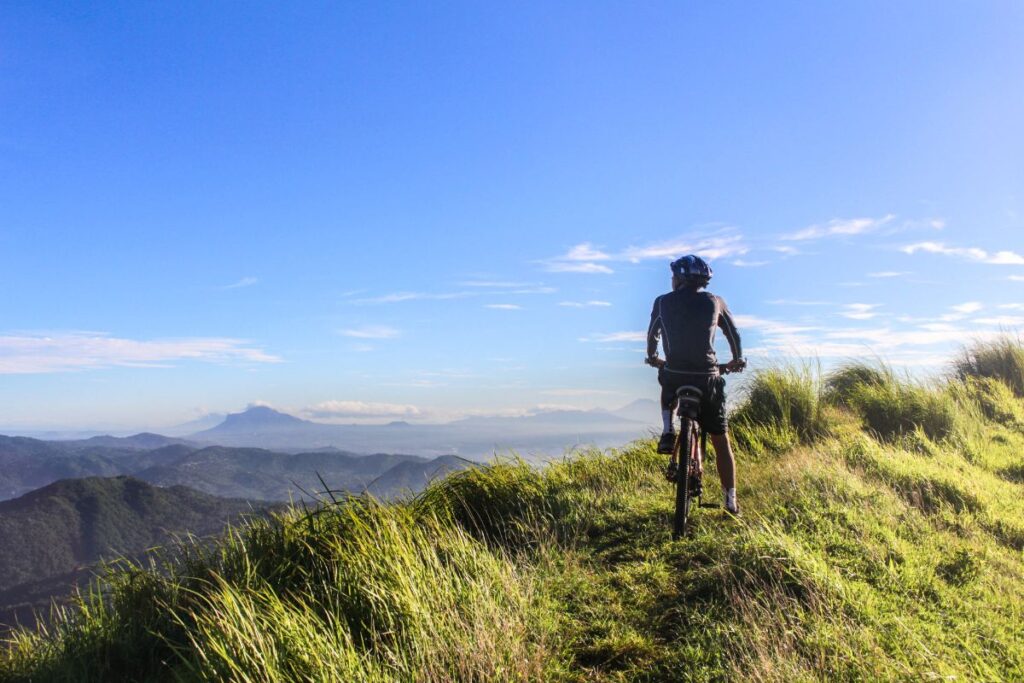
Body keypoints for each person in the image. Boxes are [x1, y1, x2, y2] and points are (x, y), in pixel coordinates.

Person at [645, 254, 745, 515]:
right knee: (721, 440)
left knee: (665, 379)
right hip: (707, 377)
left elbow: (652, 334)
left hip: (675, 374)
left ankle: (668, 430)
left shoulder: (662, 302)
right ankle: (731, 502)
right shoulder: (716, 302)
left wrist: (654, 357)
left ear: (678, 278)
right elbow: (733, 334)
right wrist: (737, 359)